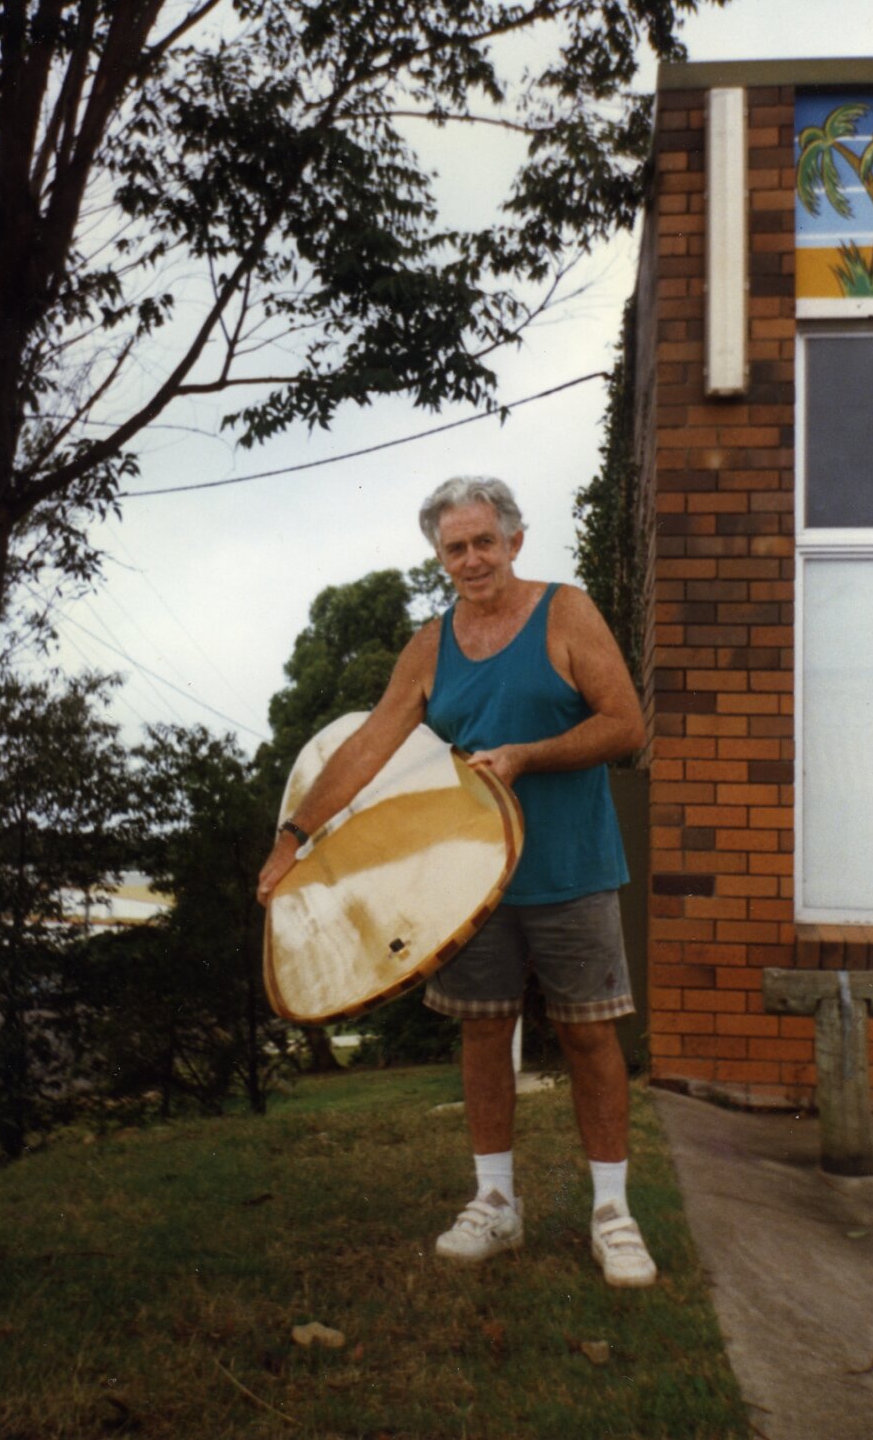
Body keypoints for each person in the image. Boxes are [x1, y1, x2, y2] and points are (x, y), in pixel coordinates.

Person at [257, 475, 656, 1287]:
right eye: (454, 548)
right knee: (482, 1034)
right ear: (438, 558)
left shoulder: (565, 612)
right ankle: (495, 1202)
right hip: (465, 886)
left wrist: (525, 757)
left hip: (574, 868)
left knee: (588, 1035)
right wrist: (294, 836)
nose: (471, 560)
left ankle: (612, 1212)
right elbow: (369, 743)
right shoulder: (430, 645)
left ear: (513, 540)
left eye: (483, 541)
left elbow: (624, 724)